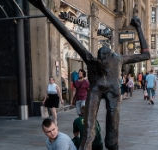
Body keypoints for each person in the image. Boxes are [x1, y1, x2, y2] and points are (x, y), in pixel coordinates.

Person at [27, 3, 150, 149]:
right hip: (98, 89)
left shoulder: (112, 59)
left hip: (110, 90)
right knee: (89, 130)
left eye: (105, 59)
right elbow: (68, 34)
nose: (104, 62)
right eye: (102, 59)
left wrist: (139, 27)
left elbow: (146, 54)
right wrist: (44, 9)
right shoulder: (101, 59)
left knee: (111, 134)